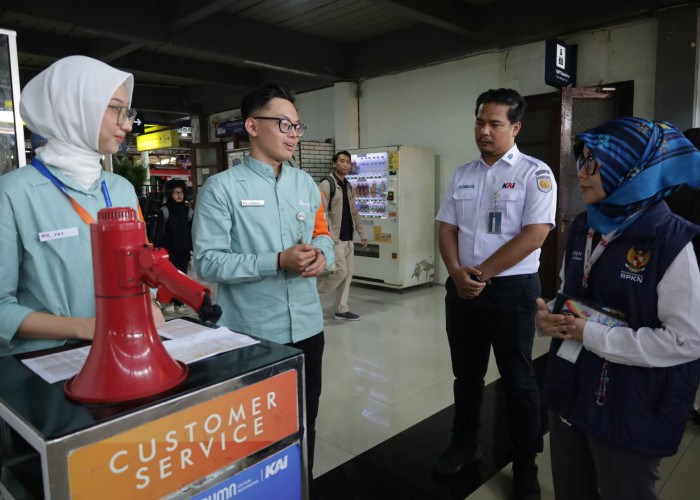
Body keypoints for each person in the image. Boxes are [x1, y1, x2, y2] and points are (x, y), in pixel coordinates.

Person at [536, 117, 700, 500]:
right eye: (581, 160)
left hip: (632, 403)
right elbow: (568, 292)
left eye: (595, 163)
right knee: (571, 488)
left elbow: (686, 340)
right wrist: (549, 320)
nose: (581, 173)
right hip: (571, 387)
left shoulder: (671, 241)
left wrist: (589, 334)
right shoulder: (583, 227)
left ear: (631, 168)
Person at [192, 83, 334, 486]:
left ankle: (301, 486)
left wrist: (323, 255)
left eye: (297, 126)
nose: (292, 133)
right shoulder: (222, 189)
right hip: (250, 336)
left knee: (306, 419)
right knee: (256, 431)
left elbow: (323, 236)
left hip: (308, 330)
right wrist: (276, 262)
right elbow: (207, 261)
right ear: (252, 126)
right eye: (283, 124)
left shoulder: (306, 184)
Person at [434, 88, 556, 500]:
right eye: (479, 122)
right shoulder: (462, 174)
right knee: (466, 376)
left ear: (515, 127)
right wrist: (455, 272)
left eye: (494, 124)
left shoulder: (534, 173)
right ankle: (465, 445)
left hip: (511, 292)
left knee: (520, 381)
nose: (484, 131)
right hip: (463, 289)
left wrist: (481, 273)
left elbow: (536, 234)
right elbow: (447, 229)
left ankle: (525, 462)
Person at [0, 55, 164, 358]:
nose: (127, 124)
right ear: (73, 108)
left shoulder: (120, 189)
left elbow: (143, 267)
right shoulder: (13, 194)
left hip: (127, 354)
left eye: (128, 112)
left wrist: (150, 303)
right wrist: (88, 327)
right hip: (47, 367)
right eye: (116, 108)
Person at [316, 150, 368, 320]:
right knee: (340, 272)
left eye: (348, 162)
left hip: (349, 237)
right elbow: (320, 212)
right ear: (334, 163)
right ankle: (313, 299)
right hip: (334, 238)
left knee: (348, 275)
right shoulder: (327, 184)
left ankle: (341, 309)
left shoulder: (348, 186)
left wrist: (362, 233)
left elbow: (355, 212)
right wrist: (325, 236)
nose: (346, 165)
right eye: (342, 161)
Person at [154, 178, 193, 313]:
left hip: (183, 251)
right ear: (170, 194)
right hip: (168, 251)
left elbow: (191, 232)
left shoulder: (188, 212)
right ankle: (169, 303)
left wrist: (192, 250)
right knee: (171, 278)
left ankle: (179, 304)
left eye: (181, 192)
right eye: (175, 192)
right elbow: (158, 233)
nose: (179, 195)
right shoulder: (164, 211)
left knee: (182, 278)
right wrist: (157, 251)